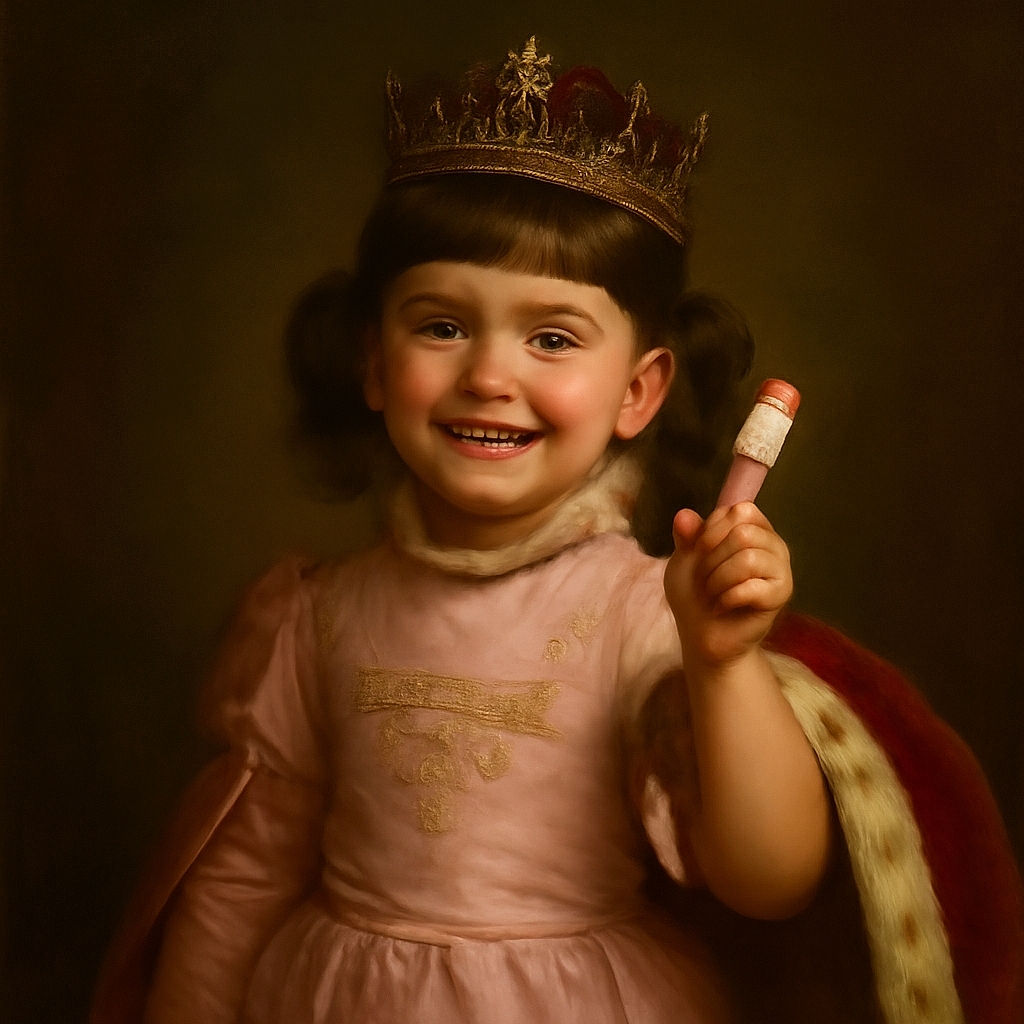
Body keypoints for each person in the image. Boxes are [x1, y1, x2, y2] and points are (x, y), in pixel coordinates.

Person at [91, 38, 1022, 1024]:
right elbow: (243, 876)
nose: (489, 374)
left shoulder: (647, 610)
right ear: (371, 362)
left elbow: (770, 882)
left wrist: (721, 665)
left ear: (637, 390)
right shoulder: (312, 615)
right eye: (442, 325)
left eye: (550, 338)